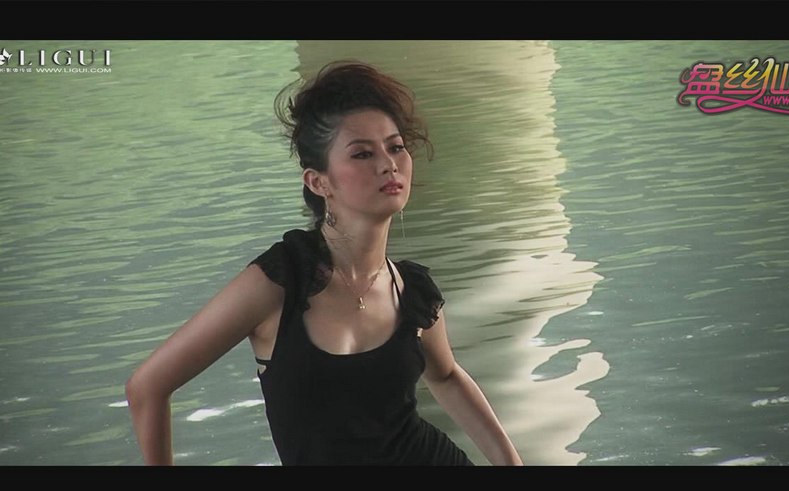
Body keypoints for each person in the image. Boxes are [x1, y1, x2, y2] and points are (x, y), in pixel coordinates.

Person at [125, 60, 523, 466]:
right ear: (318, 182)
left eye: (396, 147)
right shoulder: (279, 282)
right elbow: (147, 387)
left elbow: (447, 376)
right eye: (363, 153)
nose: (388, 163)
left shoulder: (412, 290)